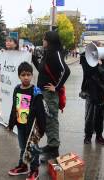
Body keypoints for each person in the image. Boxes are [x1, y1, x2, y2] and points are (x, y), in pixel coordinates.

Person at [32, 31, 71, 161]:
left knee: (51, 120)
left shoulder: (56, 53)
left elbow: (66, 70)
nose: (42, 41)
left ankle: (53, 148)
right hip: (42, 92)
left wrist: (57, 87)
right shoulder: (47, 53)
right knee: (47, 120)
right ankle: (51, 145)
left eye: (44, 39)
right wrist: (33, 59)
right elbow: (42, 71)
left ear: (49, 41)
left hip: (49, 94)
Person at [7, 62, 47, 180]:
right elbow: (14, 107)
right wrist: (11, 124)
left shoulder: (36, 91)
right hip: (20, 125)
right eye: (23, 75)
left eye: (28, 75)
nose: (26, 77)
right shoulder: (17, 89)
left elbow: (40, 112)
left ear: (32, 75)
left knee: (32, 148)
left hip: (32, 128)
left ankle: (35, 170)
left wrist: (41, 128)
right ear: (19, 76)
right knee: (23, 146)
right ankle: (23, 166)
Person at [79, 41, 104, 145]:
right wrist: (95, 61)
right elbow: (88, 74)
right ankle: (87, 136)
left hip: (101, 92)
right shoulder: (87, 59)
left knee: (100, 116)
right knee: (90, 115)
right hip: (90, 91)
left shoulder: (103, 61)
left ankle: (99, 136)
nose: (100, 51)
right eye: (98, 49)